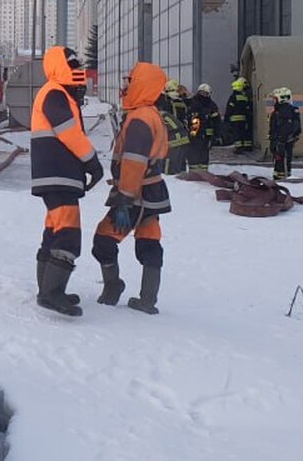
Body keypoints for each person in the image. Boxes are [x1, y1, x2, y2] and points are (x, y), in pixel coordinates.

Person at [91, 62, 171, 315]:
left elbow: (134, 162)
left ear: (142, 84)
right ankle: (148, 299)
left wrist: (124, 199)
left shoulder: (139, 119)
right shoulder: (150, 114)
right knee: (149, 240)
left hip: (135, 193)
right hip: (153, 191)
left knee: (103, 240)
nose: (124, 86)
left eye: (130, 81)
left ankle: (113, 286)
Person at [30, 45, 104, 317]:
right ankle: (51, 293)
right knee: (68, 234)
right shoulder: (55, 94)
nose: (78, 70)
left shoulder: (58, 94)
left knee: (53, 231)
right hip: (58, 174)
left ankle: (48, 290)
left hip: (57, 175)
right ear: (60, 66)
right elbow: (69, 133)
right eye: (72, 64)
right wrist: (92, 162)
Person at [267, 87, 302, 180]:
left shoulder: (283, 111)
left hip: (281, 141)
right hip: (283, 141)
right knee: (282, 161)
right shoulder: (288, 110)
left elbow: (284, 128)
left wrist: (279, 140)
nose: (274, 101)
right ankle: (282, 175)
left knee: (281, 161)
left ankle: (282, 178)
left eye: (275, 99)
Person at [157, 81, 189, 174]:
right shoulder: (182, 103)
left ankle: (168, 175)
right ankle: (181, 174)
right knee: (180, 158)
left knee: (169, 157)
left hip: (173, 134)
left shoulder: (167, 105)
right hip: (183, 134)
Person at [187, 83, 222, 170]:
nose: (203, 95)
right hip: (194, 133)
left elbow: (216, 121)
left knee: (204, 153)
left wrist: (217, 134)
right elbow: (188, 117)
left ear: (209, 94)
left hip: (207, 135)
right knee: (193, 152)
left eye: (205, 93)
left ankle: (203, 171)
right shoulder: (192, 102)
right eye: (202, 93)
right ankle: (193, 171)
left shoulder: (212, 105)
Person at [225, 76, 254, 153]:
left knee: (237, 133)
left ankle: (239, 148)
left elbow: (230, 108)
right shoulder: (244, 97)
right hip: (244, 118)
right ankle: (247, 146)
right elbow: (247, 107)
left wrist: (227, 118)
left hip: (235, 119)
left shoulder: (233, 97)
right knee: (243, 132)